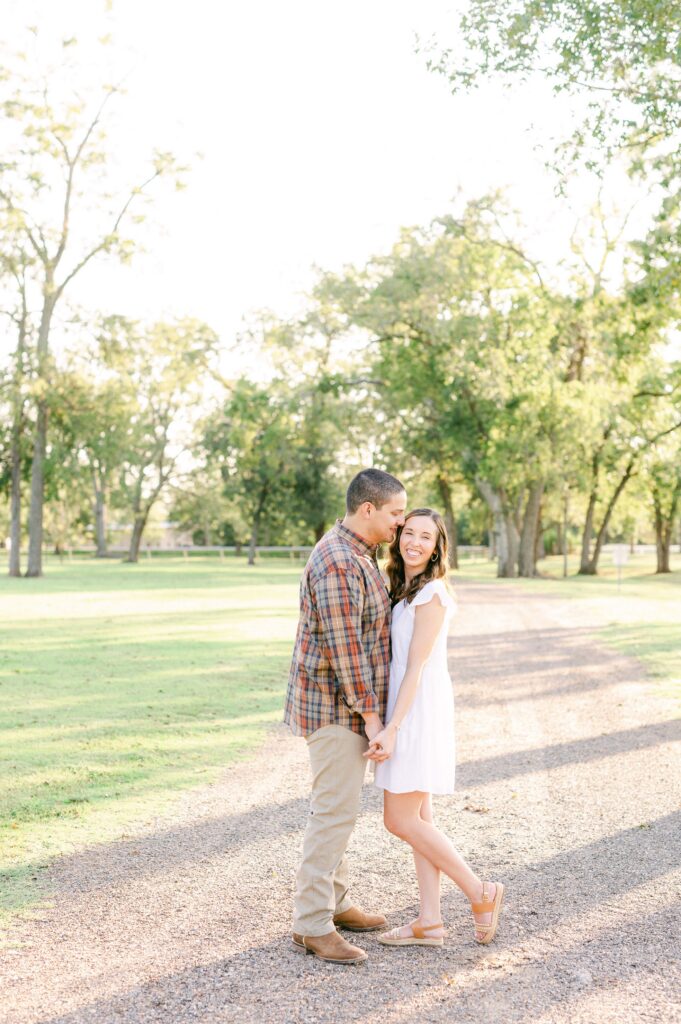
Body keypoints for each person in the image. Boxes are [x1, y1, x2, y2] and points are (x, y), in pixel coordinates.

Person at [284, 468, 407, 964]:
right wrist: (373, 718)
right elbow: (346, 651)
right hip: (336, 708)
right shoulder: (338, 561)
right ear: (369, 509)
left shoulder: (360, 553)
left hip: (345, 705)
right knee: (334, 811)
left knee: (340, 807)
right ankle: (311, 923)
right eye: (397, 512)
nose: (401, 521)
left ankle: (334, 902)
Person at [369, 508, 504, 948]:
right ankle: (430, 921)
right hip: (407, 707)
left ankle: (478, 891)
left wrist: (391, 728)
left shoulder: (433, 596)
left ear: (437, 546)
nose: (415, 542)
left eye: (426, 537)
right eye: (409, 533)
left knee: (399, 818)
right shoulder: (405, 589)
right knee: (420, 818)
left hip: (416, 712)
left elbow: (415, 668)